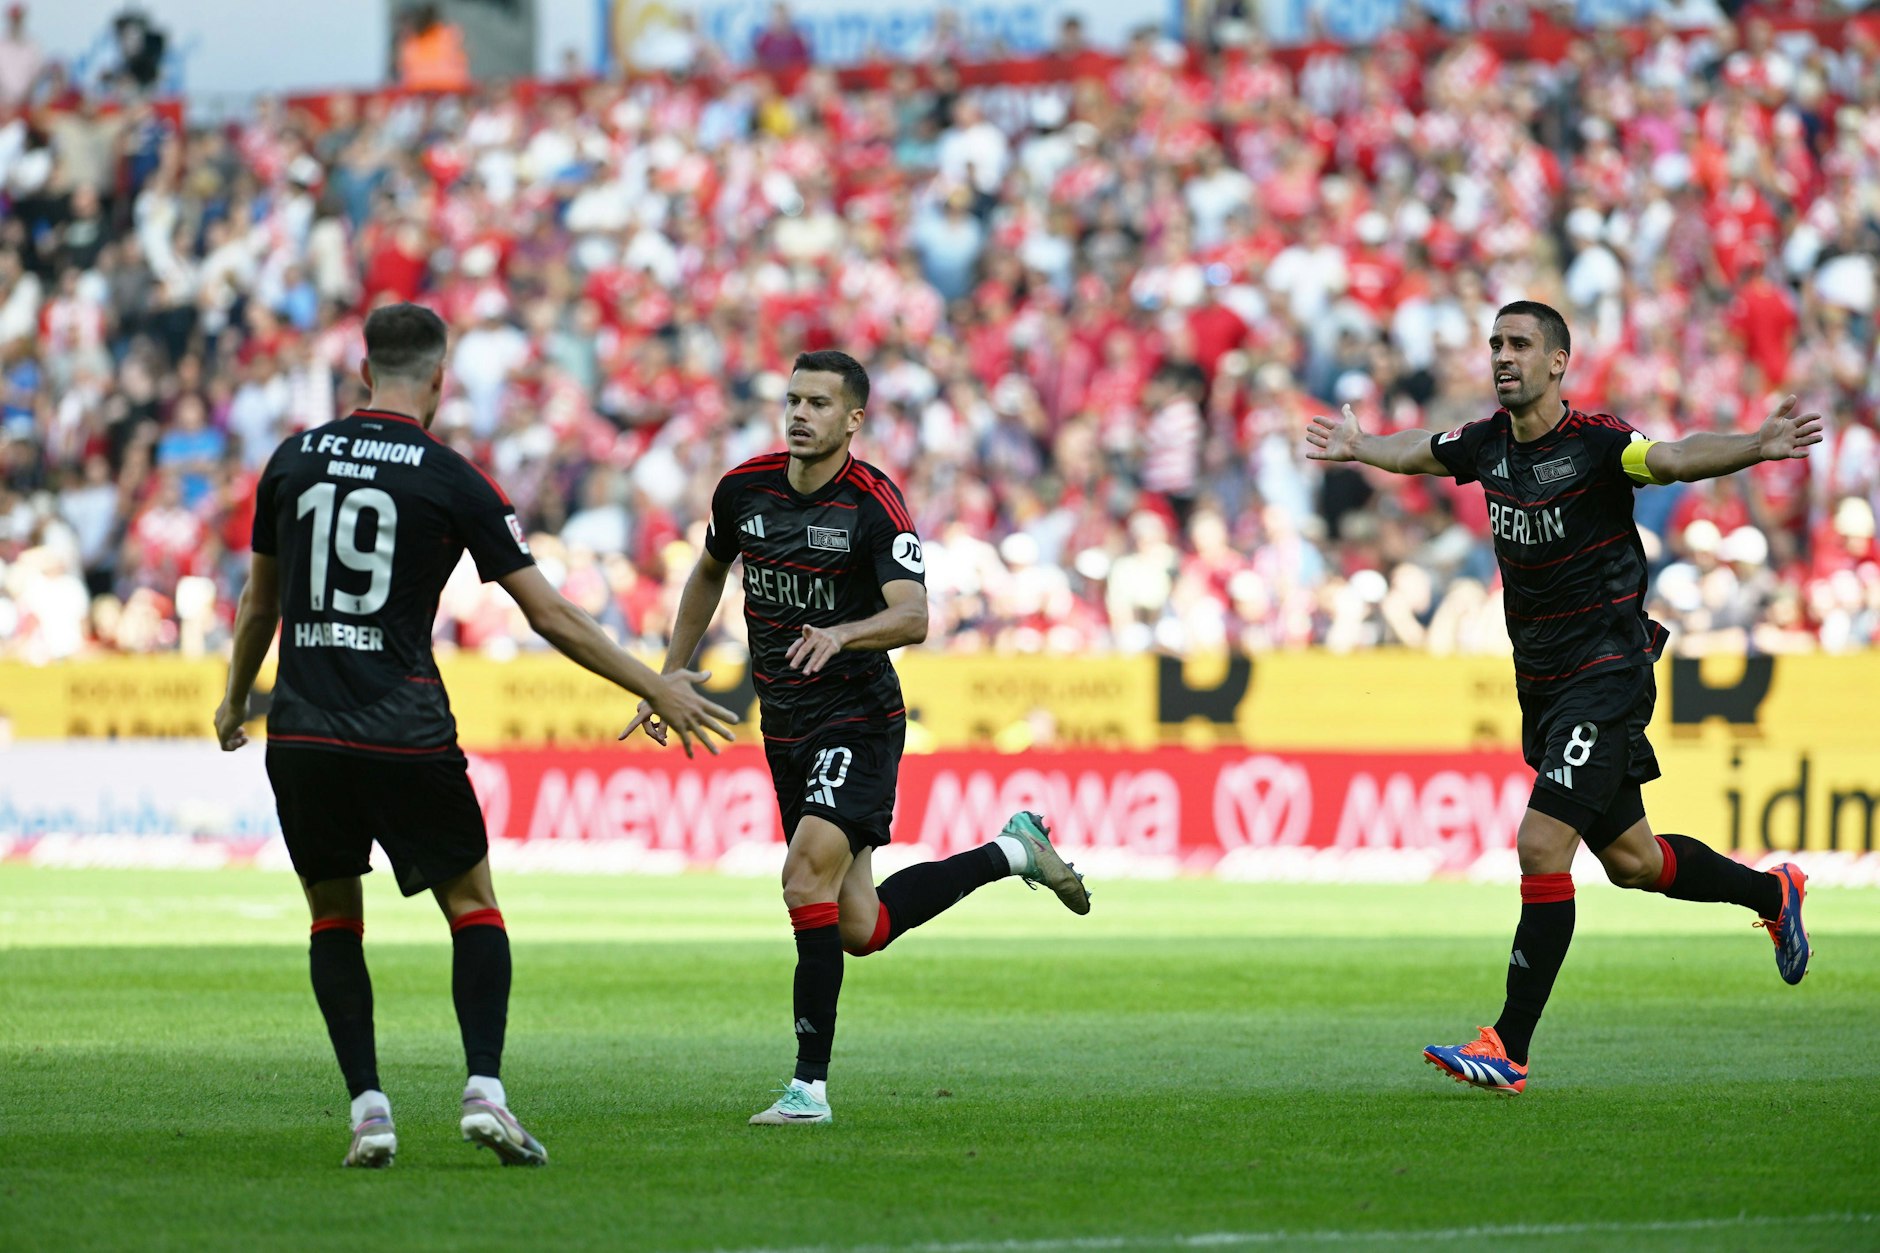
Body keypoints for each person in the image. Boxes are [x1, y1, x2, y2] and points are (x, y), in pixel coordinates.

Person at [213, 304, 736, 1166]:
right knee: (472, 904)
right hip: (404, 730)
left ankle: (370, 1111)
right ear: (440, 381)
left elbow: (258, 604)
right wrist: (655, 685)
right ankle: (484, 1091)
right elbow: (550, 614)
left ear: (361, 374)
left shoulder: (291, 460)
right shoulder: (452, 476)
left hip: (302, 729)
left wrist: (236, 701)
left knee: (334, 916)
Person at [1304, 300, 1818, 1095]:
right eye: (1495, 344)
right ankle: (1772, 891)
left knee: (1542, 845)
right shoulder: (1486, 444)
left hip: (1606, 670)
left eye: (1519, 344)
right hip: (1542, 682)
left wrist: (1756, 444)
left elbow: (1677, 459)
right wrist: (1360, 446)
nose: (1502, 356)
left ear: (1557, 363)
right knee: (1635, 862)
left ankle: (1508, 1046)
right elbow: (1421, 454)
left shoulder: (1602, 446)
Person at [626, 350, 1090, 1126]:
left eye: (818, 403)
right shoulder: (744, 489)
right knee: (859, 926)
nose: (800, 413)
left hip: (859, 716)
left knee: (802, 875)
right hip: (786, 723)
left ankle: (809, 1088)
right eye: (792, 399)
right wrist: (668, 674)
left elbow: (913, 615)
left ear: (853, 420)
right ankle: (1015, 849)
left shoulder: (875, 504)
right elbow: (709, 571)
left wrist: (842, 635)